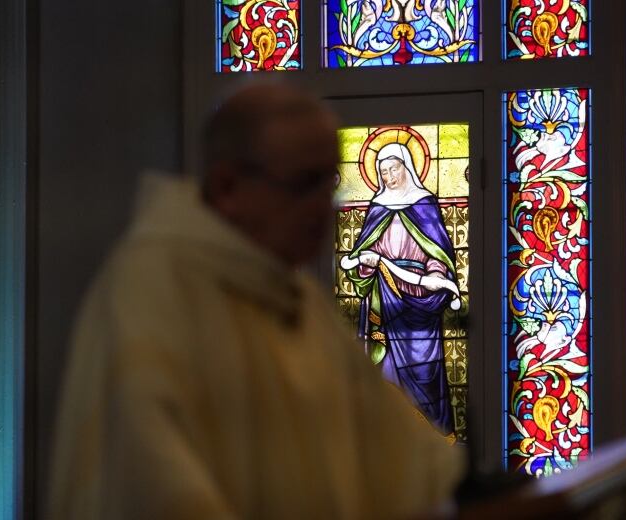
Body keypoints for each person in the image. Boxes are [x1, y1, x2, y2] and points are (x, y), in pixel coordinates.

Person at [47, 82, 462, 519]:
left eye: (328, 183)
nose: (325, 208)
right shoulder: (150, 290)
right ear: (228, 186)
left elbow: (398, 450)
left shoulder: (296, 296)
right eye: (305, 183)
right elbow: (155, 485)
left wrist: (462, 484)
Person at [340, 142, 461, 438]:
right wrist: (367, 264)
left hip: (420, 299)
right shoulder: (378, 207)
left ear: (407, 167)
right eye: (383, 172)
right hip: (385, 300)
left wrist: (434, 277)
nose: (390, 176)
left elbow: (439, 254)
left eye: (394, 169)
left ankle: (433, 441)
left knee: (424, 372)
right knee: (385, 369)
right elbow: (363, 262)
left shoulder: (425, 204)